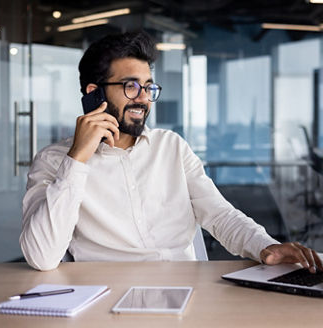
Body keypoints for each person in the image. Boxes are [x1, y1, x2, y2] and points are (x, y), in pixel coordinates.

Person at [20, 31, 322, 272]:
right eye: (130, 86)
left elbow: (219, 214)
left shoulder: (172, 147)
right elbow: (42, 256)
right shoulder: (55, 162)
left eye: (148, 87)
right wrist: (78, 160)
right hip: (106, 299)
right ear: (94, 93)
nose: (143, 99)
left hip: (186, 293)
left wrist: (265, 246)